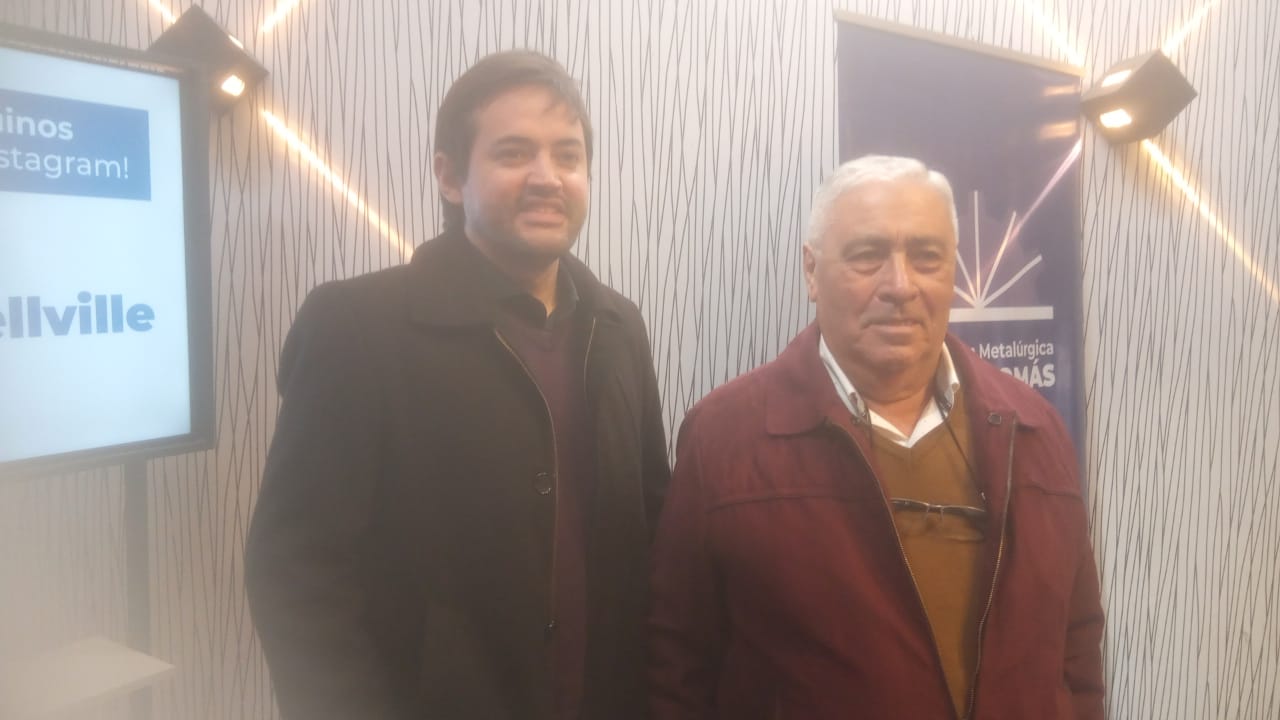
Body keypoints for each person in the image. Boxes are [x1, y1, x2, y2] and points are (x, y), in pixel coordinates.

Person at [246, 50, 670, 720]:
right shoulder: (358, 326)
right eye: (513, 153)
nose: (547, 178)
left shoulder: (618, 327)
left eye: (568, 155)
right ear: (449, 176)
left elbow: (653, 525)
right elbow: (296, 571)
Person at [648, 155, 1104, 719]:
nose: (900, 285)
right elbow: (678, 665)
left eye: (926, 256)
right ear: (811, 271)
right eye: (868, 255)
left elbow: (1076, 649)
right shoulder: (722, 439)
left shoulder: (1034, 429)